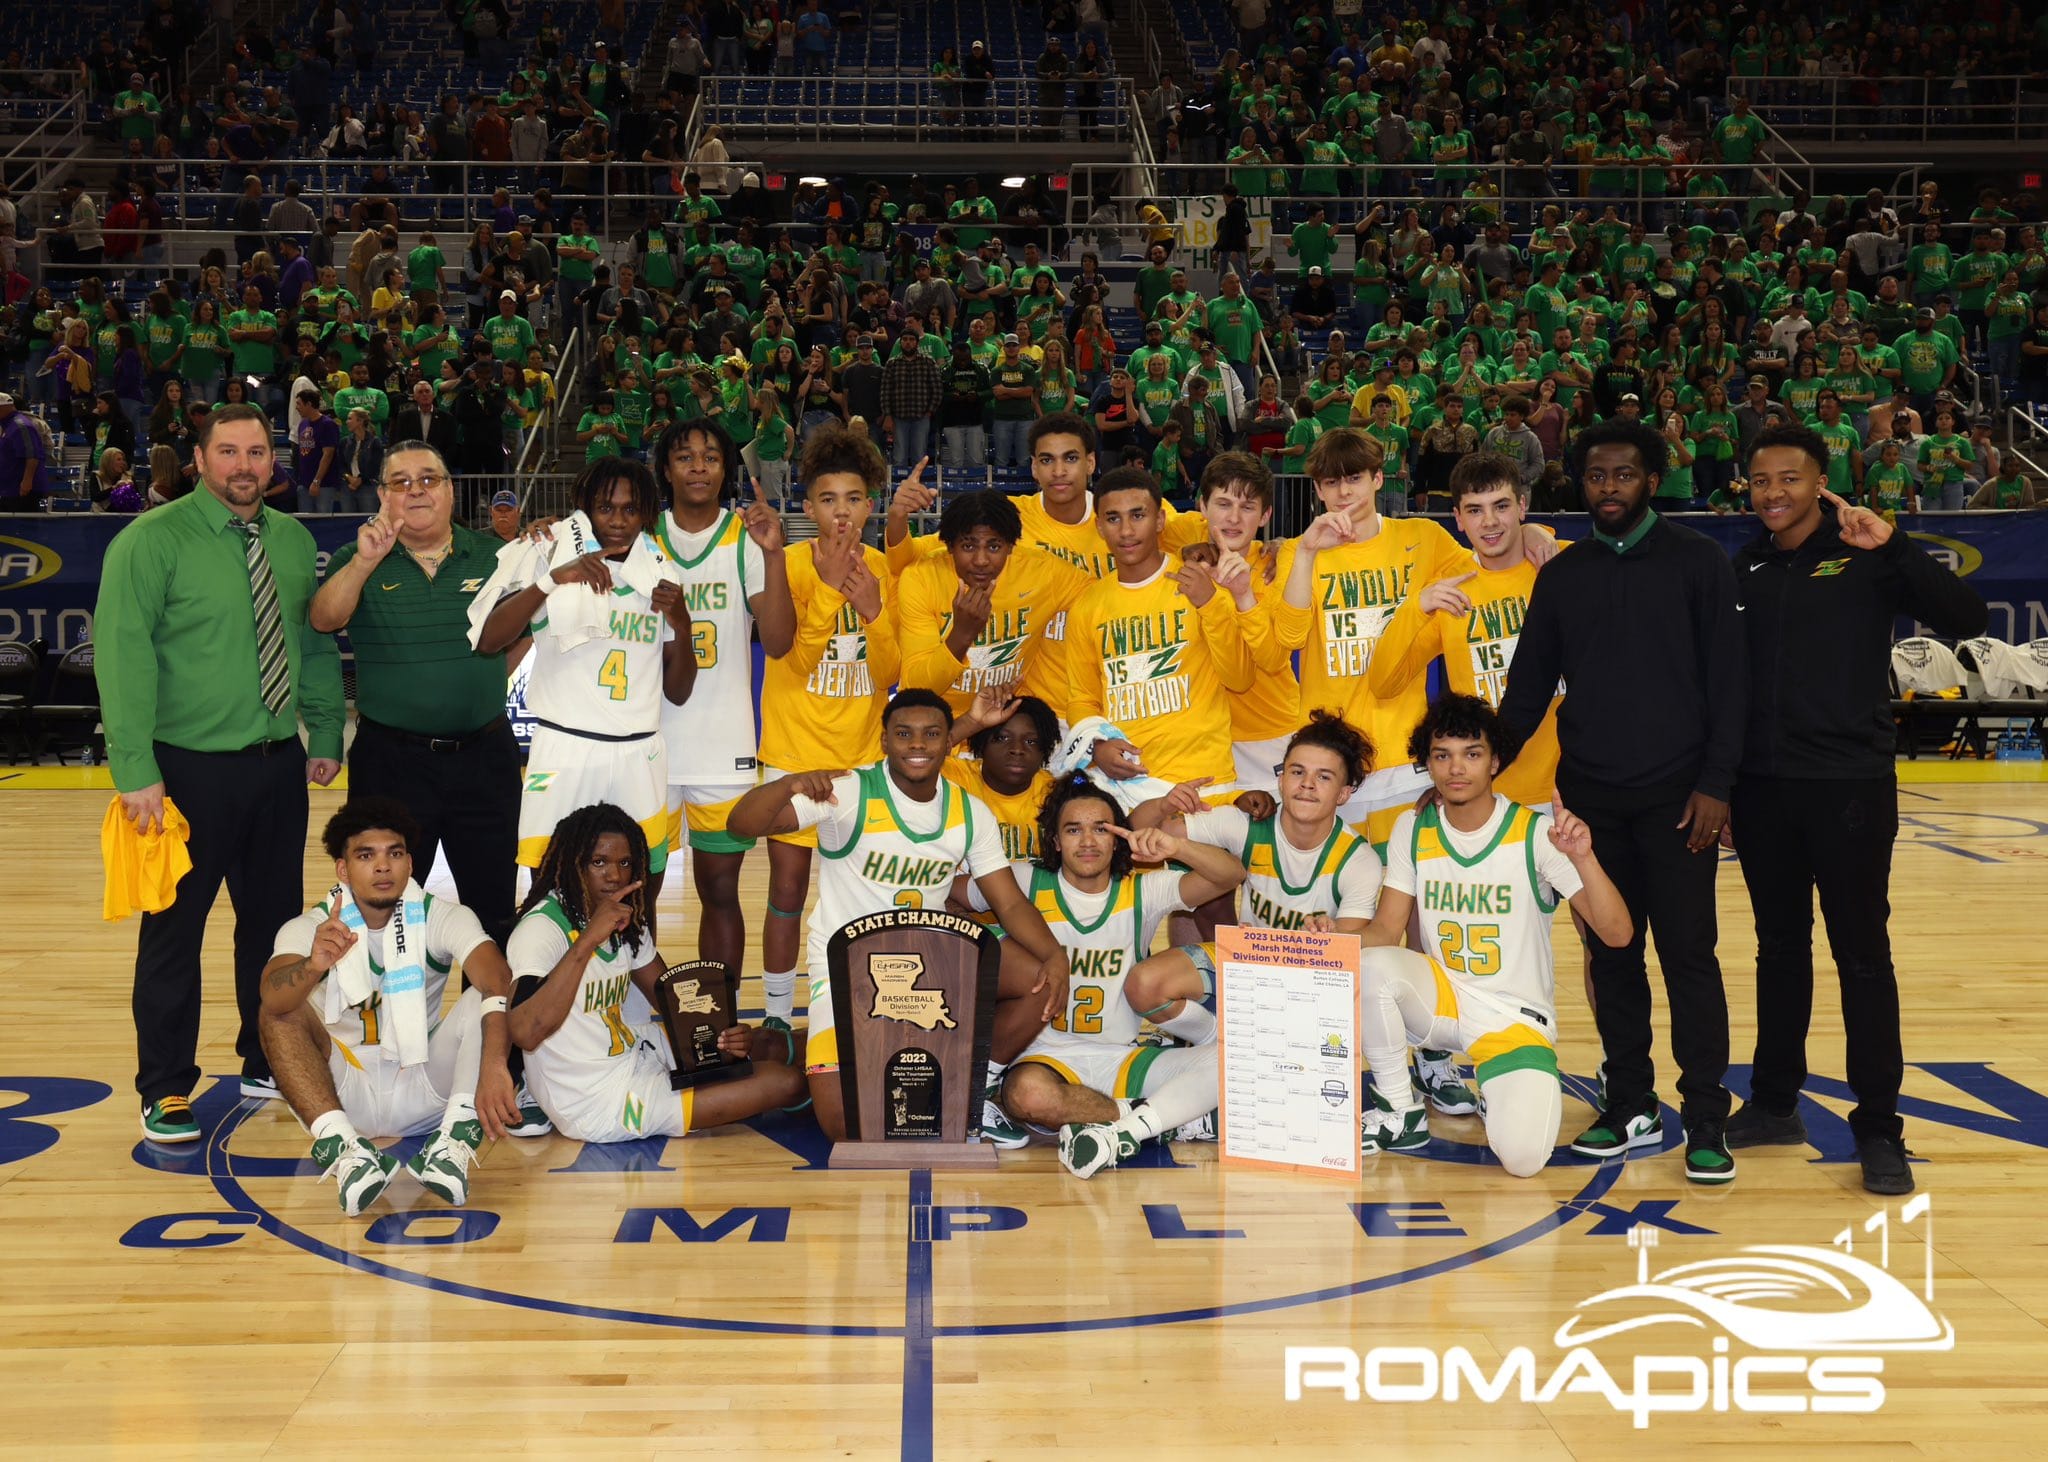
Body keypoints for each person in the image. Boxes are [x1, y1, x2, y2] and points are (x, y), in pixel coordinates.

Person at [1728, 424, 1987, 1194]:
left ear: (1822, 482)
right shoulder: (1743, 565)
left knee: (1863, 956)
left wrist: (1897, 543)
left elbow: (1968, 617)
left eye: (1790, 478)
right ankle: (1775, 1102)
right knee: (1778, 950)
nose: (1774, 492)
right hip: (1762, 789)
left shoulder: (1868, 556)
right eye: (1761, 480)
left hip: (1849, 788)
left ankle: (1878, 1126)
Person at [1496, 417, 1746, 1185]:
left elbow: (1730, 681)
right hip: (1592, 802)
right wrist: (1472, 768)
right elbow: (1527, 690)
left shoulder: (1698, 561)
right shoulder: (1565, 575)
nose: (1609, 487)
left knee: (1689, 956)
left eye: (1625, 473)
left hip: (1679, 801)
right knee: (1612, 954)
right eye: (1597, 475)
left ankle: (1705, 1115)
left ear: (1652, 480)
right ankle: (1631, 1101)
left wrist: (1717, 785)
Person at [95, 404, 346, 1141]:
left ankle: (265, 1056)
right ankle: (166, 1086)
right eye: (228, 451)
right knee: (174, 932)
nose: (244, 465)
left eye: (257, 452)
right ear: (199, 460)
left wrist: (325, 728)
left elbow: (313, 640)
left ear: (273, 461)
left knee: (273, 929)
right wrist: (135, 768)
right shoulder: (149, 541)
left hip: (276, 766)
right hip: (183, 772)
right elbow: (122, 655)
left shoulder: (294, 541)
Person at [727, 689, 1075, 1145]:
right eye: (904, 734)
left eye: (931, 734)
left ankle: (976, 1085)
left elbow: (1008, 903)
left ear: (947, 741)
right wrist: (786, 785)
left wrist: (1054, 955)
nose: (917, 745)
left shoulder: (970, 812)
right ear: (885, 740)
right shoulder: (848, 792)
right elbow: (740, 825)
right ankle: (813, 1054)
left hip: (928, 962)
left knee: (1040, 982)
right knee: (846, 1126)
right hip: (845, 969)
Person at [1355, 696, 1632, 1173]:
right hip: (1442, 1000)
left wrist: (1584, 858)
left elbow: (1618, 934)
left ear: (1495, 762)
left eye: (1472, 754)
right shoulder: (1412, 827)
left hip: (1512, 1018)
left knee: (1523, 1160)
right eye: (1442, 755)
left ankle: (1500, 1091)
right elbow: (1385, 929)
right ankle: (1401, 1111)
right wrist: (1319, 944)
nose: (1456, 768)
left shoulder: (1536, 834)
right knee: (1370, 966)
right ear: (1427, 764)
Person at [258, 798, 519, 1214]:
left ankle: (451, 1143)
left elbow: (498, 978)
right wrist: (313, 965)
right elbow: (272, 998)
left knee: (482, 997)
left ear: (410, 864)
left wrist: (493, 1066)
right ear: (343, 870)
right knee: (279, 1013)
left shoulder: (440, 916)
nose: (383, 867)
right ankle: (348, 1152)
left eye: (394, 854)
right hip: (344, 1092)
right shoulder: (311, 927)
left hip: (422, 1084)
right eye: (366, 856)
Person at [310, 442, 523, 950]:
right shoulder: (355, 557)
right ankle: (386, 1004)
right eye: (401, 482)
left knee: (493, 911)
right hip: (391, 763)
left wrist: (474, 682)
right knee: (381, 912)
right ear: (383, 495)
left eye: (429, 479)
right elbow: (323, 619)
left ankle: (487, 1003)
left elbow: (524, 633)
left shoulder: (497, 557)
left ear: (450, 490)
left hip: (485, 761)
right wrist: (365, 563)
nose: (417, 490)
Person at [995, 776, 1249, 1178]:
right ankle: (1164, 1119)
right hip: (1047, 1057)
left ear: (1118, 839)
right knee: (1027, 1096)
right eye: (1073, 830)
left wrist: (1176, 847)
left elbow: (1230, 874)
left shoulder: (1144, 890)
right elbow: (955, 894)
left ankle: (1132, 1121)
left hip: (1124, 1057)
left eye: (1101, 829)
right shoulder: (1025, 881)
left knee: (1233, 1062)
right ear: (1055, 841)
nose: (1088, 841)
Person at [506, 804, 807, 1143]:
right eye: (599, 862)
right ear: (572, 862)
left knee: (767, 1044)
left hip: (636, 1052)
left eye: (624, 863)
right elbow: (525, 1032)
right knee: (785, 1082)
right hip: (598, 1103)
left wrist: (724, 1037)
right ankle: (834, 1095)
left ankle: (837, 1061)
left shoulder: (621, 917)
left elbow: (674, 1006)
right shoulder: (541, 929)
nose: (615, 875)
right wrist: (588, 940)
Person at [473, 457, 697, 884]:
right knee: (549, 882)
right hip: (566, 747)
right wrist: (552, 580)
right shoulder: (550, 555)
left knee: (641, 884)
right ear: (586, 508)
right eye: (605, 508)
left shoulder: (661, 573)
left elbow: (680, 692)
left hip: (639, 751)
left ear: (646, 514)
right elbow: (488, 640)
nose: (618, 520)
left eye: (630, 509)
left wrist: (683, 626)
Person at [749, 427, 900, 1026]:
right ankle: (777, 1018)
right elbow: (788, 657)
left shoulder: (884, 569)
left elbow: (890, 673)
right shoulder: (786, 564)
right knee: (786, 893)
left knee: (861, 898)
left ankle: (862, 1013)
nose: (842, 512)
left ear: (870, 505)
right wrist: (833, 595)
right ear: (808, 507)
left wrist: (873, 612)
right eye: (829, 499)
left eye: (854, 498)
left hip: (862, 761)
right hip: (794, 755)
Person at [649, 419, 794, 975]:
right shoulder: (643, 536)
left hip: (724, 744)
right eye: (684, 457)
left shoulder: (746, 540)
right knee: (638, 895)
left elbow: (777, 642)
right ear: (666, 469)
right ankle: (641, 1015)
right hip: (649, 743)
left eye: (710, 457)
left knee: (720, 892)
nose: (698, 467)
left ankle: (719, 1014)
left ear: (725, 469)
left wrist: (776, 556)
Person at [1062, 465, 1255, 807]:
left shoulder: (1202, 585)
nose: (1126, 530)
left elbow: (1240, 678)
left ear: (1160, 520)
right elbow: (1082, 699)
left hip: (1203, 780)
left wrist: (1209, 604)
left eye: (1138, 515)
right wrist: (1097, 746)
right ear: (1099, 526)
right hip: (1124, 786)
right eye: (1113, 518)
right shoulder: (1087, 606)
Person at [892, 487, 1091, 717]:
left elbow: (1105, 596)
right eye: (968, 546)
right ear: (949, 546)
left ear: (1011, 546)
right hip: (935, 719)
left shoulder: (1042, 572)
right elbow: (917, 689)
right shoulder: (921, 578)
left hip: (1002, 716)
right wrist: (962, 635)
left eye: (994, 547)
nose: (981, 560)